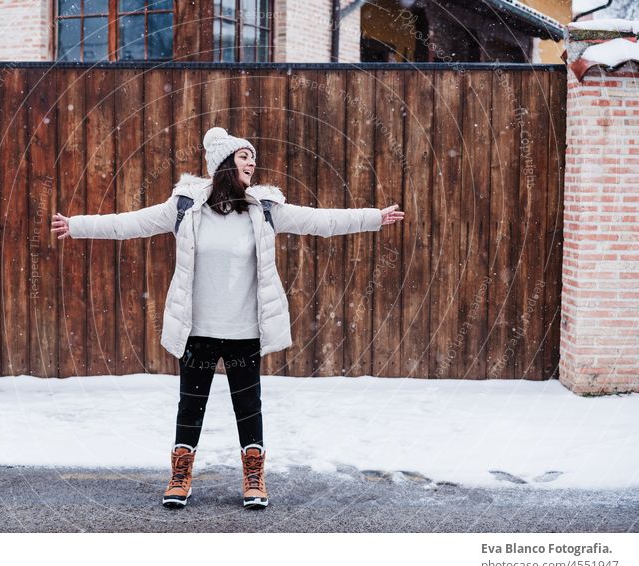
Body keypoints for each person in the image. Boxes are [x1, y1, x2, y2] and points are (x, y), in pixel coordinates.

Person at [51, 127, 404, 510]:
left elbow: (321, 221)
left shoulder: (264, 209)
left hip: (244, 331)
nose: (253, 162)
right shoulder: (185, 207)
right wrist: (78, 225)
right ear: (223, 164)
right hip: (197, 329)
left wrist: (373, 217)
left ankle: (254, 479)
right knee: (190, 405)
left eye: (253, 157)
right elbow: (129, 224)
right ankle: (180, 476)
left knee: (248, 405)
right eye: (244, 157)